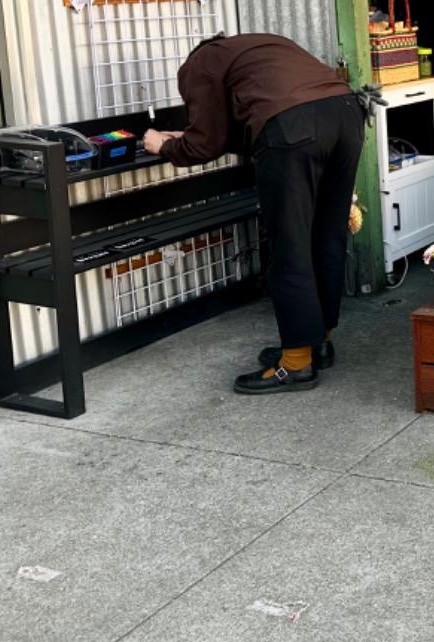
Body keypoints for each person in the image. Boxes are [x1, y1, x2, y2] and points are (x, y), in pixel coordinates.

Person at [143, 33, 364, 395]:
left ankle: (295, 364)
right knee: (327, 235)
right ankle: (317, 343)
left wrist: (164, 145)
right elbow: (251, 125)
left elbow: (206, 143)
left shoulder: (198, 64)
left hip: (295, 128)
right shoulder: (258, 48)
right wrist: (188, 135)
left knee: (290, 246)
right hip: (345, 114)